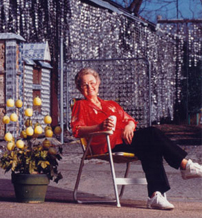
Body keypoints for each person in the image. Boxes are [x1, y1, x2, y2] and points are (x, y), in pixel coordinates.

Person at [71, 67, 202, 210]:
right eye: (85, 85)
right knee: (152, 135)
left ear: (98, 82)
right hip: (106, 144)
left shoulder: (111, 104)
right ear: (79, 88)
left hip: (126, 140)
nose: (90, 87)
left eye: (92, 82)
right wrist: (99, 127)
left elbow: (130, 120)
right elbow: (77, 130)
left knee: (151, 143)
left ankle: (155, 195)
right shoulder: (80, 105)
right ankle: (184, 166)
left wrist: (130, 125)